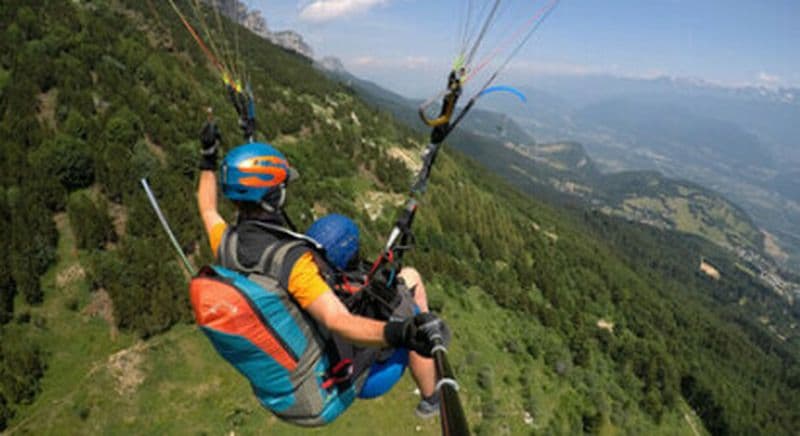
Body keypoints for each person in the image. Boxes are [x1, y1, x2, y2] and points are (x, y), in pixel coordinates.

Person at [196, 124, 448, 418]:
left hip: (283, 387)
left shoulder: (226, 243)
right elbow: (339, 321)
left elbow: (207, 208)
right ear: (274, 198)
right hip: (324, 391)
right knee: (412, 292)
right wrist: (402, 332)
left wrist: (207, 158)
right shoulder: (292, 263)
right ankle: (432, 398)